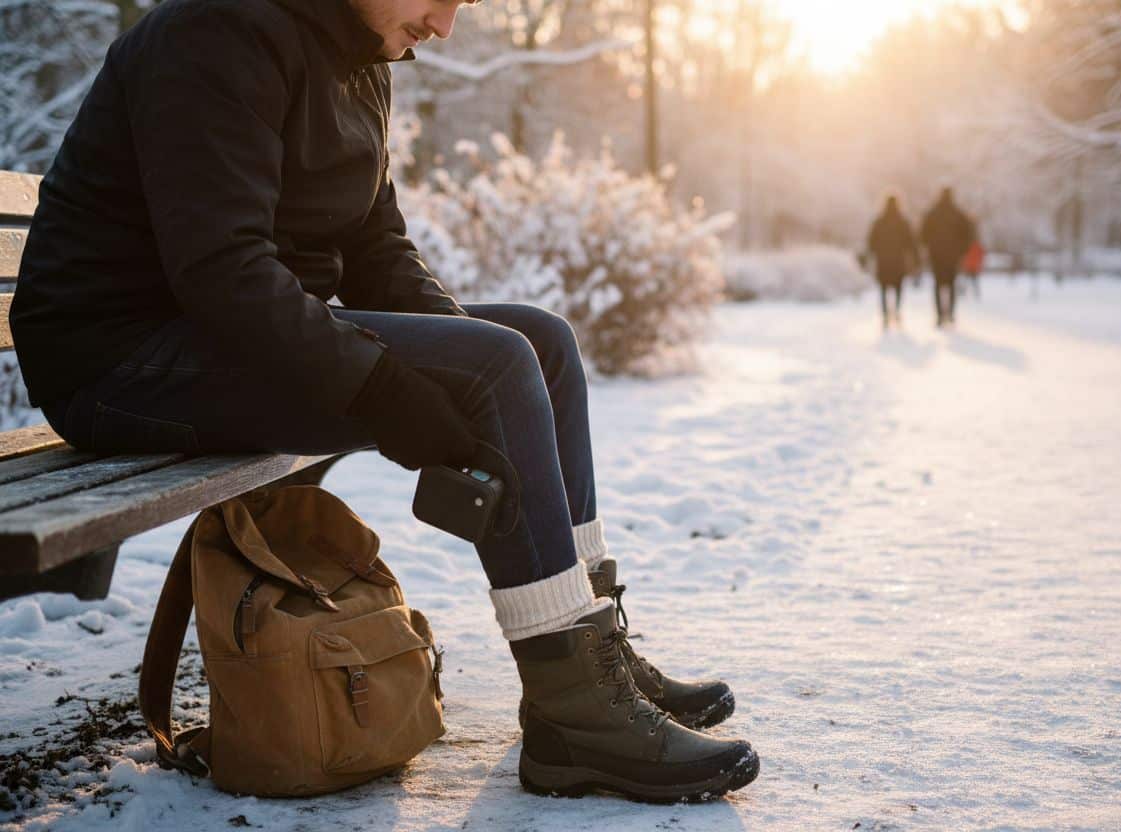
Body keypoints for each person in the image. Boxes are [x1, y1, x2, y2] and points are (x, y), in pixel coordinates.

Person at [9, 0, 757, 803]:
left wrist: (460, 363)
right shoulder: (216, 33)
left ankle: (588, 643)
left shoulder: (358, 55)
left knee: (537, 345)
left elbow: (374, 247)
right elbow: (221, 269)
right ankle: (575, 716)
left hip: (215, 338)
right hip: (123, 359)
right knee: (497, 365)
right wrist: (393, 387)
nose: (444, 26)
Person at [920, 187, 974, 327]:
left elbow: (923, 234)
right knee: (951, 284)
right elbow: (968, 234)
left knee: (938, 284)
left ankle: (939, 315)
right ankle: (950, 313)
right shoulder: (958, 214)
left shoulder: (932, 214)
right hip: (953, 256)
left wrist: (929, 248)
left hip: (936, 255)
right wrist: (962, 251)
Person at [866, 194, 920, 328]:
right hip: (898, 260)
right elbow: (911, 242)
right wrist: (915, 257)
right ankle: (896, 311)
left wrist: (873, 253)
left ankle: (885, 314)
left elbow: (871, 242)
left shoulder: (879, 222)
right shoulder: (903, 222)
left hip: (883, 260)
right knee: (898, 287)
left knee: (883, 288)